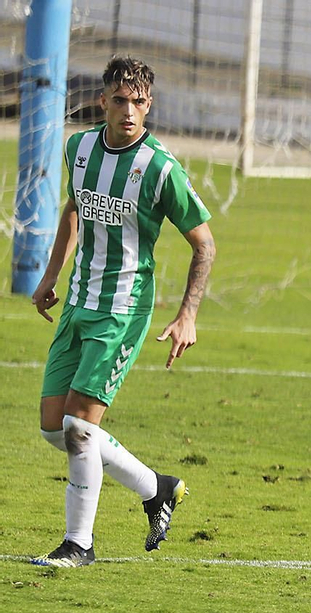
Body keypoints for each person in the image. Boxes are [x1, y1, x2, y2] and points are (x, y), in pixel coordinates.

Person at [29, 55, 215, 568]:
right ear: (102, 102)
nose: (129, 111)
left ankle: (79, 545)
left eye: (139, 102)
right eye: (119, 100)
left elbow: (205, 245)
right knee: (53, 427)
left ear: (149, 105)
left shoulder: (159, 168)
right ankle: (156, 487)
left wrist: (188, 315)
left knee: (79, 428)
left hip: (122, 309)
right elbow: (75, 208)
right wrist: (50, 275)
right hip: (79, 302)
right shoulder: (80, 147)